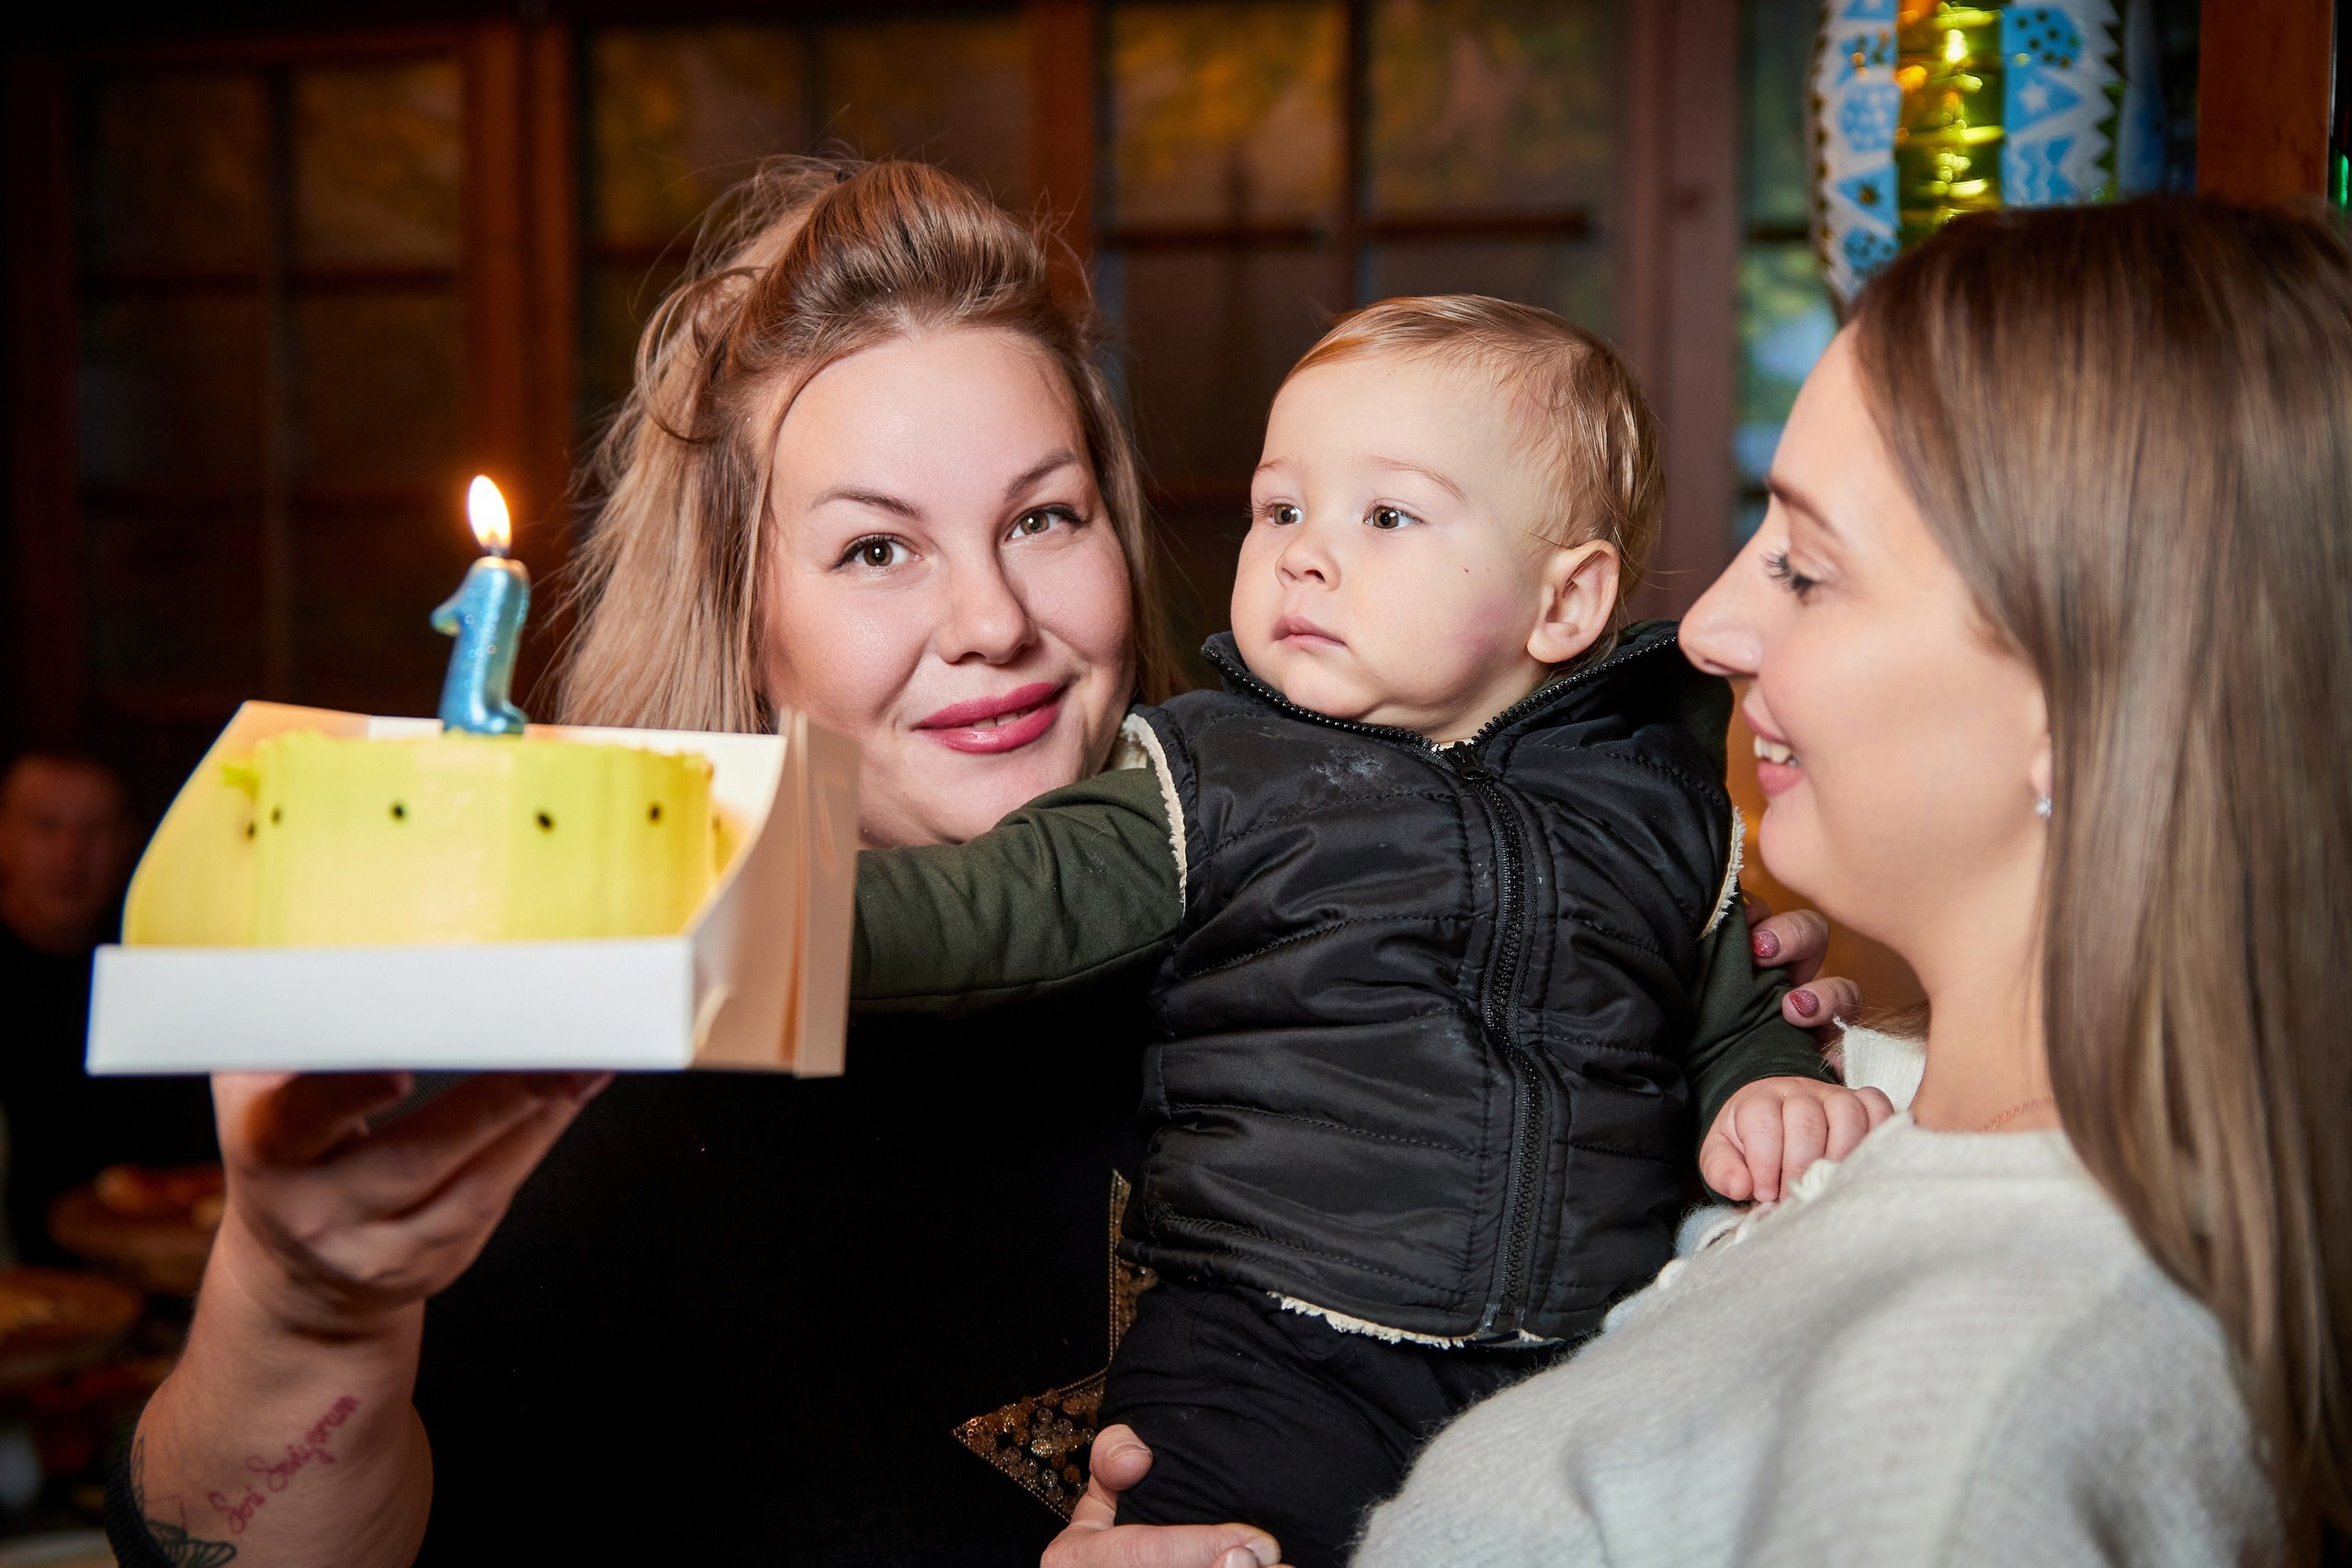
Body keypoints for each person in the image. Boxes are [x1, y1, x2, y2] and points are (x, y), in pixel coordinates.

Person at [102, 158, 1854, 1568]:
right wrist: (305, 1310)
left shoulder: (1343, 909)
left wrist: (1780, 1055)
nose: (996, 620)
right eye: (877, 548)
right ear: (748, 616)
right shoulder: (584, 1054)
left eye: (1042, 516)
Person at [1057, 197, 2352, 1566]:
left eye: (1806, 564)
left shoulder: (1978, 1406)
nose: (1716, 624)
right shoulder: (1854, 1113)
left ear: (2076, 702)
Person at [851, 295, 1885, 1562]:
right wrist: (741, 902)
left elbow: (1719, 1011)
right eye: (1281, 508)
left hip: (1566, 1363)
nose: (1301, 552)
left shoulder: (1665, 802)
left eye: (1384, 516)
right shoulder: (1210, 772)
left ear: (1565, 602)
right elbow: (989, 902)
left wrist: (1768, 1084)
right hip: (1265, 1350)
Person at [0, 752, 213, 1265]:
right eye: (46, 827)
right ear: (3, 836)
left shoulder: (161, 977)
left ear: (126, 844)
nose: (70, 855)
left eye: (94, 830)